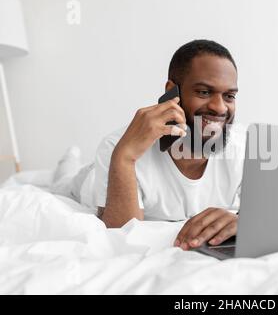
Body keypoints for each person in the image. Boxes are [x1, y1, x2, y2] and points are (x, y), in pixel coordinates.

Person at [53, 40, 245, 252]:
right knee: (63, 183)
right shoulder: (117, 148)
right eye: (204, 92)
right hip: (90, 182)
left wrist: (241, 220)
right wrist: (125, 157)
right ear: (173, 92)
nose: (219, 107)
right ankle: (68, 162)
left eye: (229, 96)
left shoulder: (245, 149)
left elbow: (271, 215)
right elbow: (120, 239)